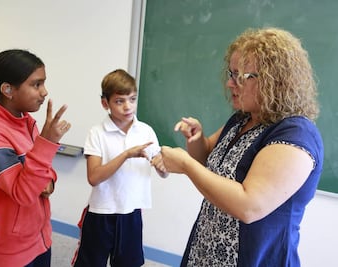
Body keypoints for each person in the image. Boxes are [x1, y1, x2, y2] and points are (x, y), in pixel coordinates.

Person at [160, 27, 324, 266]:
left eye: (240, 76)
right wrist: (197, 140)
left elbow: (249, 206)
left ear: (273, 80)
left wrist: (184, 165)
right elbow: (207, 160)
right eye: (231, 73)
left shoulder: (296, 135)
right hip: (206, 252)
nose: (229, 83)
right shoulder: (243, 119)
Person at [0, 49, 71, 267]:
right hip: (7, 251)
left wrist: (46, 180)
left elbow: (42, 173)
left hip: (37, 237)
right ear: (8, 90)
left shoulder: (26, 121)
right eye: (36, 84)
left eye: (43, 83)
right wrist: (47, 144)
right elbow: (23, 192)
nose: (44, 92)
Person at [71, 69, 168, 267]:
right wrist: (125, 155)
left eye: (132, 99)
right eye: (119, 101)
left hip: (131, 212)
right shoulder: (97, 133)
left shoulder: (146, 131)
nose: (128, 106)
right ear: (105, 103)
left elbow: (163, 171)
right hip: (101, 212)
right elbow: (94, 177)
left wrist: (162, 166)